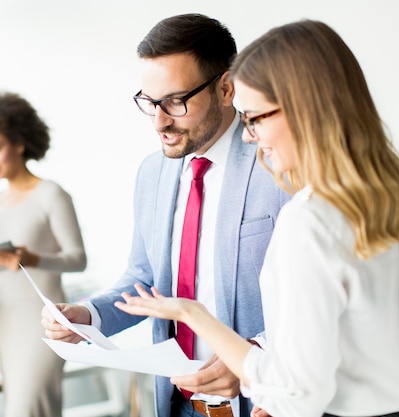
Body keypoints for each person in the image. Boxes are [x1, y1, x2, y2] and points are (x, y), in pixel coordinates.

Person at [115, 19, 399, 417]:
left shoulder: (309, 219)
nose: (249, 135)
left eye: (256, 118)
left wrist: (191, 313)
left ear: (305, 109)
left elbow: (297, 394)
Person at [41, 13, 289, 417]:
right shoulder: (152, 173)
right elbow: (144, 279)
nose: (159, 121)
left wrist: (254, 358)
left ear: (226, 88)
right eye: (150, 101)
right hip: (179, 403)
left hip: (258, 401)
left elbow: (314, 300)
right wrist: (88, 316)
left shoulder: (279, 162)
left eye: (176, 101)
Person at [0, 91, 87, 417]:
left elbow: (77, 259)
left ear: (18, 142)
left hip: (43, 322)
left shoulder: (51, 194)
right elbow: (1, 271)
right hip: (7, 323)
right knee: (19, 407)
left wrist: (33, 259)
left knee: (29, 408)